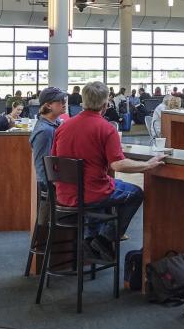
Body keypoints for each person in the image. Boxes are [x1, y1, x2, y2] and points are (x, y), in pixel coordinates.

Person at [51, 81, 162, 262]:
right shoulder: (106, 128)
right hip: (92, 193)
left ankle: (89, 240)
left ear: (82, 102)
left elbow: (54, 161)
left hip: (64, 194)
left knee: (107, 189)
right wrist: (147, 165)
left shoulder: (63, 127)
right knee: (135, 193)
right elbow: (117, 165)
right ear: (105, 105)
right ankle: (104, 239)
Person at [29, 87, 67, 189]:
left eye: (64, 99)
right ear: (48, 105)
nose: (64, 102)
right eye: (60, 101)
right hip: (50, 186)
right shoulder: (45, 131)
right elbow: (41, 164)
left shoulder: (56, 123)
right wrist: (50, 190)